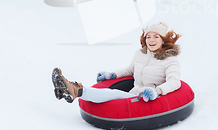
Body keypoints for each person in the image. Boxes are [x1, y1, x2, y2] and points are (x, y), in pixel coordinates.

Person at [52, 21, 181, 104]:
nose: (151, 40)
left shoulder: (170, 59)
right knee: (112, 96)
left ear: (163, 40)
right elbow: (130, 70)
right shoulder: (140, 54)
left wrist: (156, 91)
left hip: (150, 99)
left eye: (156, 36)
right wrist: (111, 75)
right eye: (148, 36)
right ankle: (68, 90)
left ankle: (75, 90)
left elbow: (174, 81)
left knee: (114, 95)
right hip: (134, 93)